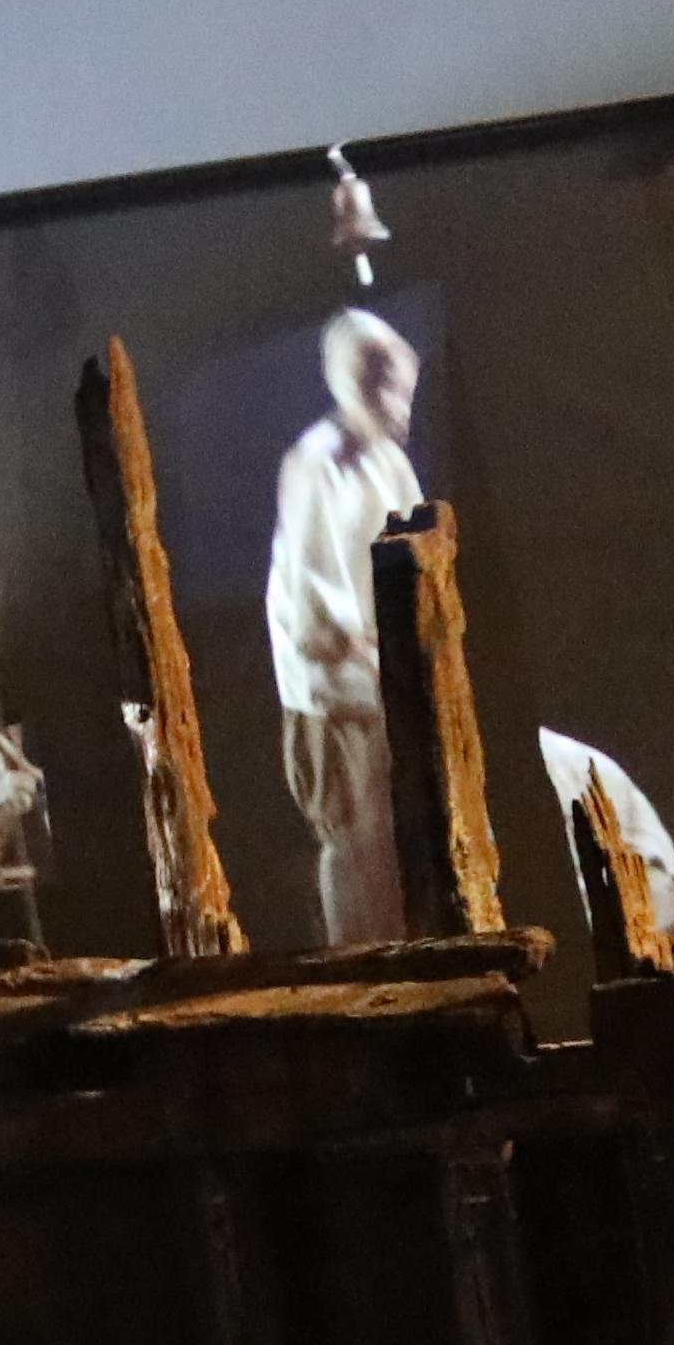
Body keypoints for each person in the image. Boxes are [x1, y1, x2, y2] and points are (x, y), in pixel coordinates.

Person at [263, 309, 423, 945]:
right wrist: (371, 655)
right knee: (359, 854)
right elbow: (314, 622)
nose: (399, 405)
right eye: (384, 386)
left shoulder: (390, 464)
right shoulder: (314, 465)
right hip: (335, 704)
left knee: (397, 859)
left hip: (384, 692)